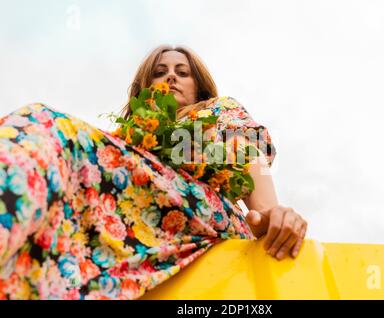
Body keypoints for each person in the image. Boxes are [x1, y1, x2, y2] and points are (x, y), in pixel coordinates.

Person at [0, 45, 307, 300]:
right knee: (40, 132)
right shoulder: (121, 141)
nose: (170, 76)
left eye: (182, 72)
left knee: (47, 125)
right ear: (145, 90)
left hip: (199, 220)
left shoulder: (216, 113)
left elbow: (247, 151)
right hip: (119, 231)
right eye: (159, 73)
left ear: (198, 86)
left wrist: (269, 213)